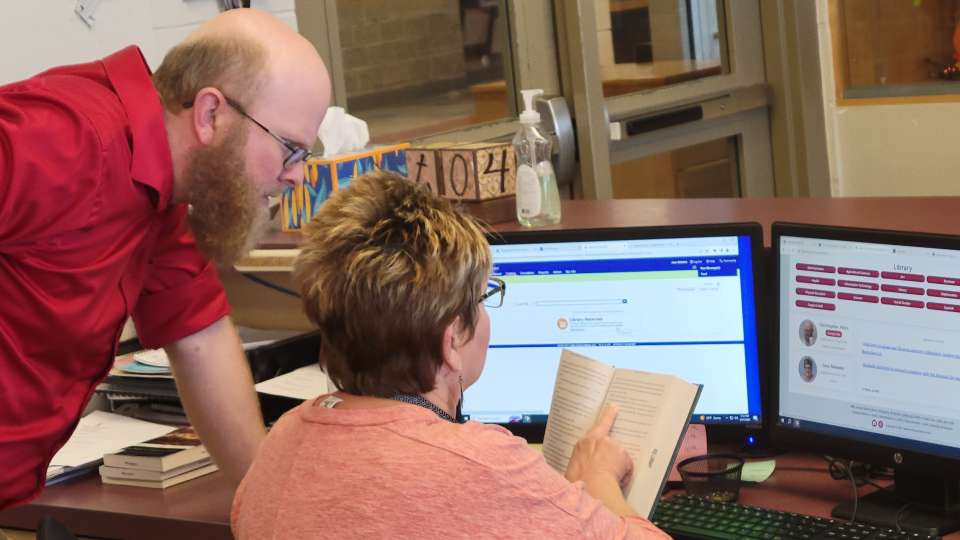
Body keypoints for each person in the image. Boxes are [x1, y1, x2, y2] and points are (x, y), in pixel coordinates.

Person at [0, 8, 331, 509]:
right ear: (210, 114)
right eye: (290, 149)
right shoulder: (65, 138)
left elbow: (200, 336)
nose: (296, 176)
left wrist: (275, 510)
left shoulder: (162, 198)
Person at [232, 171, 669, 539]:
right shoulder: (483, 466)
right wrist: (598, 480)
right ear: (452, 341)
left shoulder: (280, 443)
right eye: (483, 298)